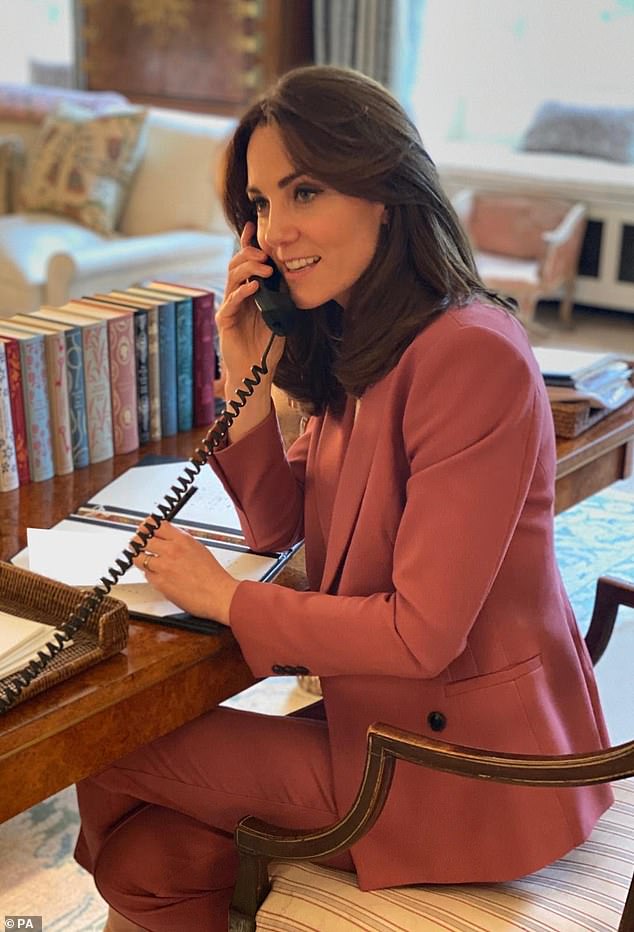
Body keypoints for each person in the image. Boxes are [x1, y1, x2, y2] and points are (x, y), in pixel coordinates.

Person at [74, 65, 613, 932]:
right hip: (379, 725)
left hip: (465, 765)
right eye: (260, 204)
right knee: (148, 861)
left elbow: (420, 632)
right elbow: (284, 527)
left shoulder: (467, 354)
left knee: (105, 748)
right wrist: (247, 368)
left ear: (386, 193)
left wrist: (224, 598)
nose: (274, 231)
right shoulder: (363, 342)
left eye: (306, 191)